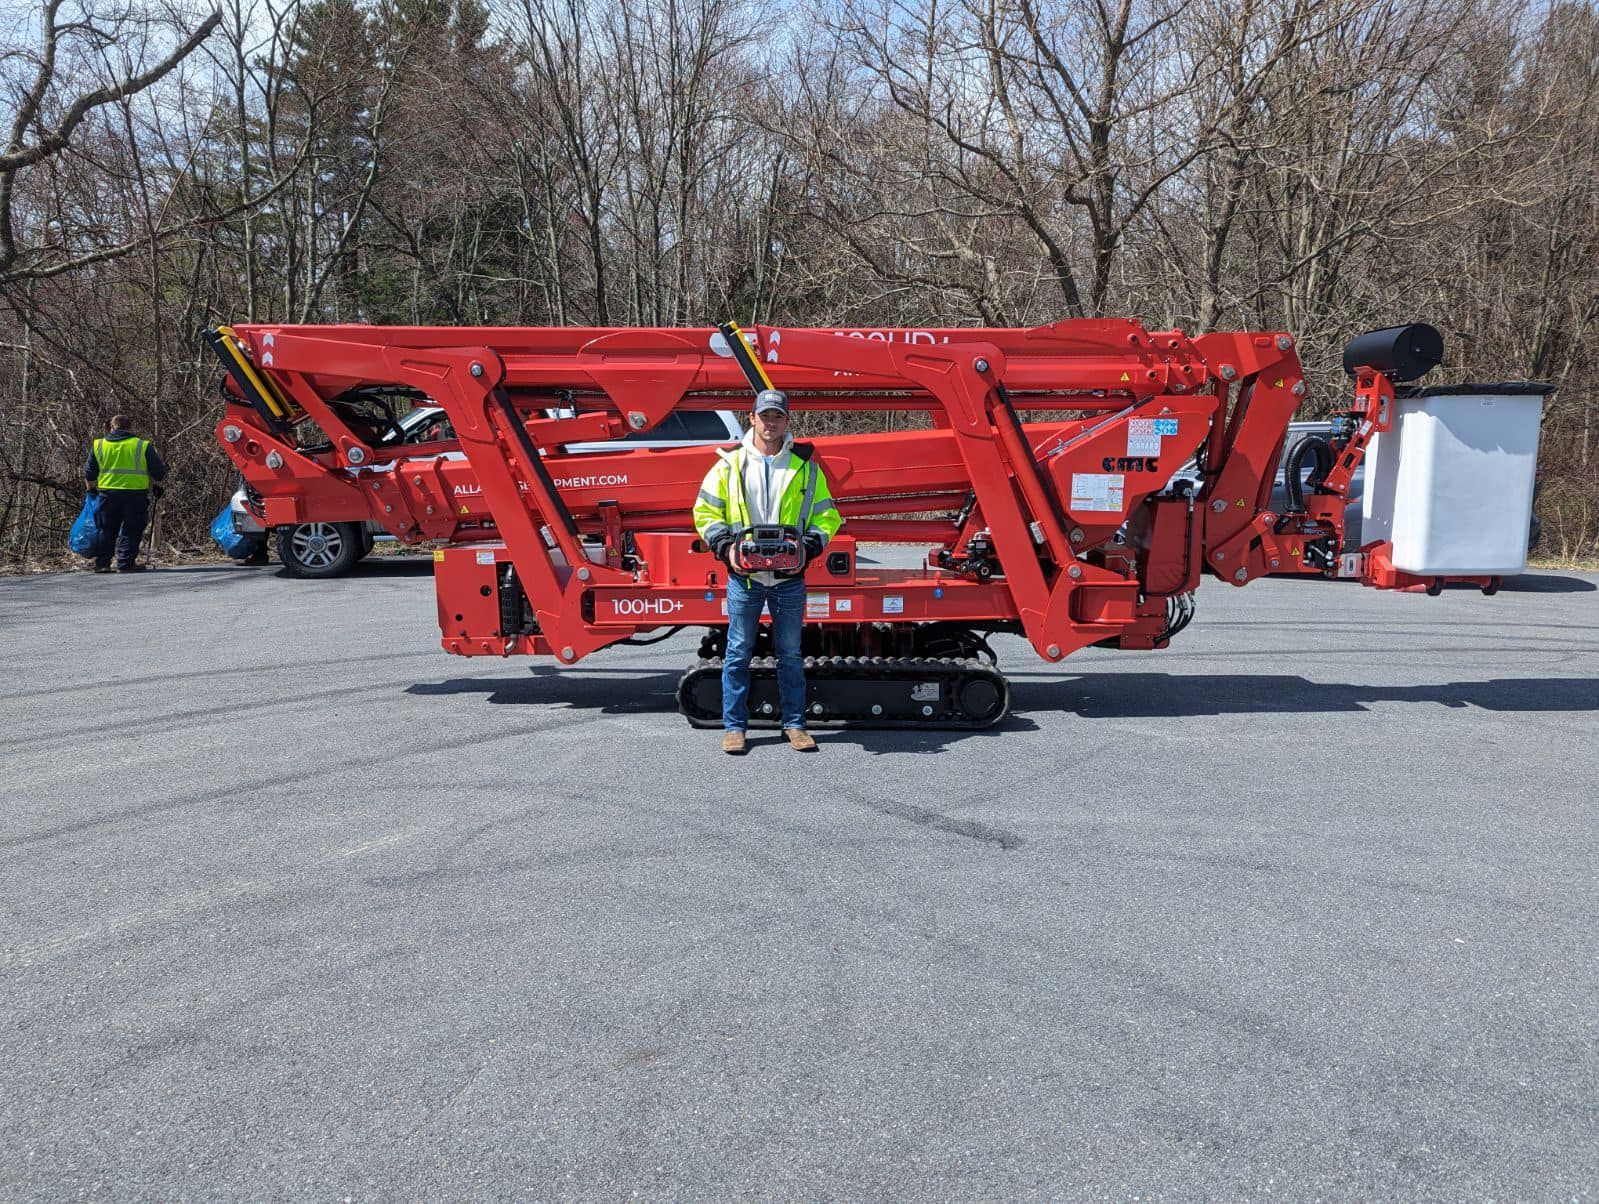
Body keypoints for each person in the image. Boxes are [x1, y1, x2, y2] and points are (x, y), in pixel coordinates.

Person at [693, 388, 843, 755]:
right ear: (753, 418)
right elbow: (705, 511)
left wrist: (809, 547)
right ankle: (734, 727)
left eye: (777, 416)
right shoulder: (728, 465)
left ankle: (794, 724)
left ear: (786, 421)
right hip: (744, 578)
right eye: (765, 416)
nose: (770, 422)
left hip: (788, 579)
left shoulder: (805, 467)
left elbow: (828, 515)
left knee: (790, 653)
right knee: (738, 651)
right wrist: (725, 547)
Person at [84, 414, 166, 573]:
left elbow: (89, 473)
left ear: (112, 427)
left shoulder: (99, 445)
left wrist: (91, 489)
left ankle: (102, 564)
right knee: (132, 529)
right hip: (135, 495)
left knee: (106, 529)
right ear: (131, 428)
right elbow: (158, 472)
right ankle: (126, 563)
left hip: (107, 495)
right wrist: (157, 485)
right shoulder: (142, 445)